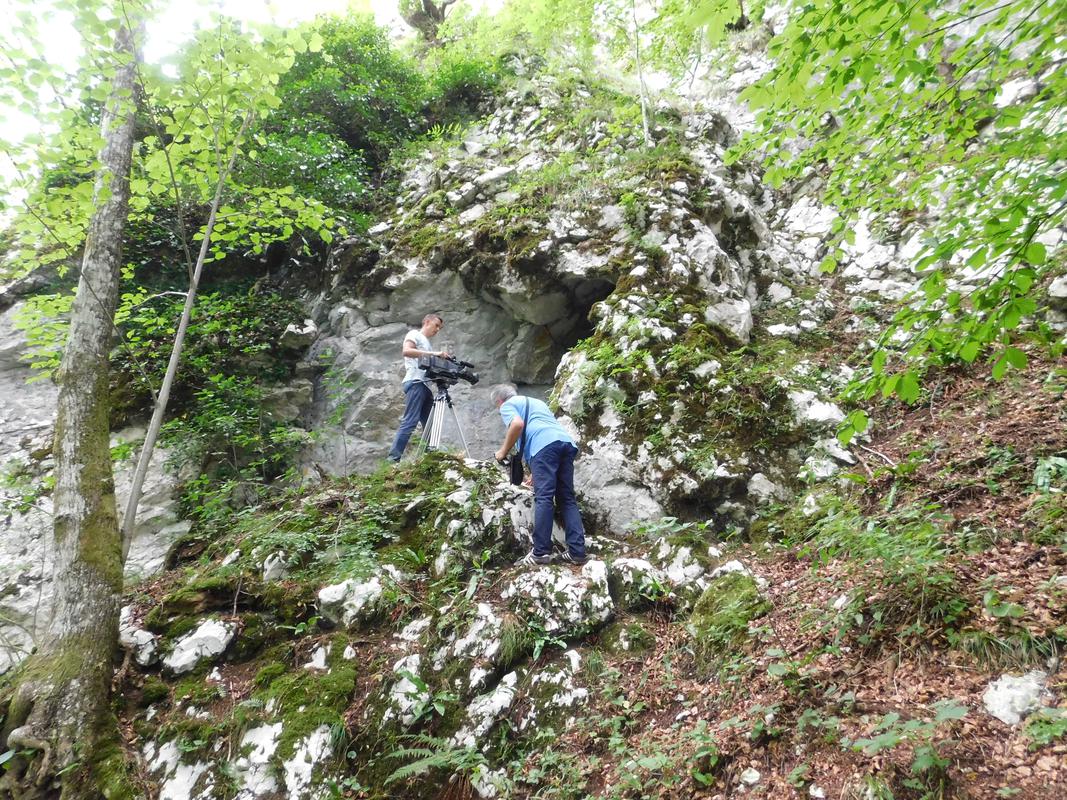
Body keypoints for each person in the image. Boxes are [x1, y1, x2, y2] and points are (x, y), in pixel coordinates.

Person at [490, 383, 588, 566]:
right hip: (564, 444)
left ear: (499, 401)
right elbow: (546, 433)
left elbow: (517, 424)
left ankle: (540, 552)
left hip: (543, 447)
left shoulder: (507, 405)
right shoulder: (538, 403)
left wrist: (502, 452)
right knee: (567, 499)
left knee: (543, 498)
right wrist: (536, 471)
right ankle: (577, 552)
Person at [387, 313, 448, 462]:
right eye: (436, 325)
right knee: (410, 421)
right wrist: (434, 354)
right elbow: (406, 351)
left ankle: (429, 459)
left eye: (440, 327)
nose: (438, 329)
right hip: (415, 382)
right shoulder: (414, 334)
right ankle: (393, 459)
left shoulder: (427, 343)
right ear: (427, 322)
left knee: (430, 425)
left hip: (424, 386)